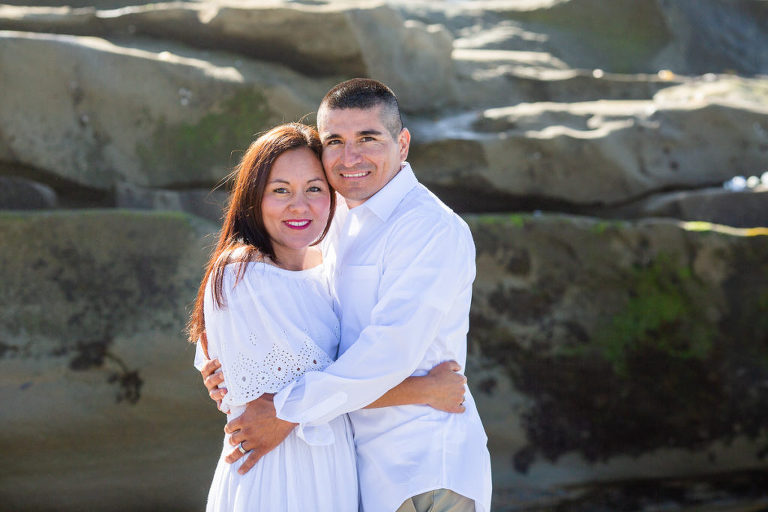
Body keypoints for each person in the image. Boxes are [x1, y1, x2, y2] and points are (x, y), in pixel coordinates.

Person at [189, 122, 468, 512]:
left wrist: (221, 369)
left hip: (329, 466)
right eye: (280, 190)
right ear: (253, 197)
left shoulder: (321, 266)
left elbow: (315, 387)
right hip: (280, 472)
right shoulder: (247, 273)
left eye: (314, 189)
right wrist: (425, 390)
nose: (299, 205)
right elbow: (324, 383)